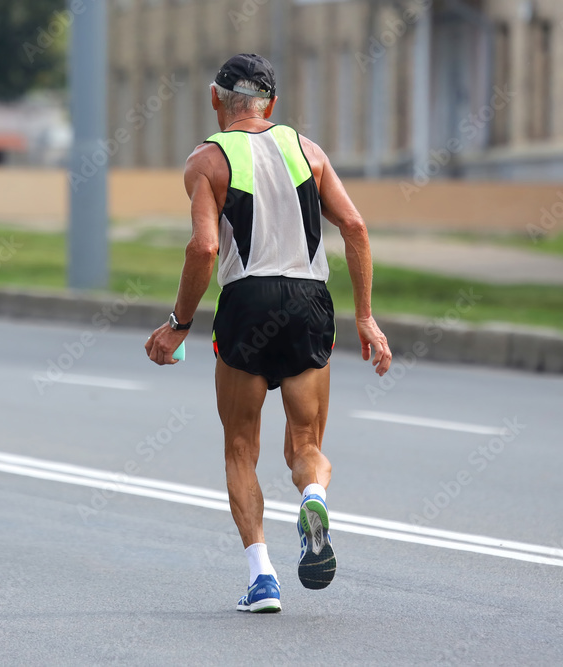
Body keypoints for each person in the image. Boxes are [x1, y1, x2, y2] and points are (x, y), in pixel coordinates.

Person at [145, 53, 392, 613]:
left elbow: (205, 247)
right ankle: (313, 495)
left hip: (248, 302)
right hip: (310, 301)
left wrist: (178, 324)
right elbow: (354, 226)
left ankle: (262, 578)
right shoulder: (309, 151)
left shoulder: (207, 160)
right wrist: (366, 318)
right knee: (306, 446)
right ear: (272, 105)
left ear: (216, 99)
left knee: (240, 448)